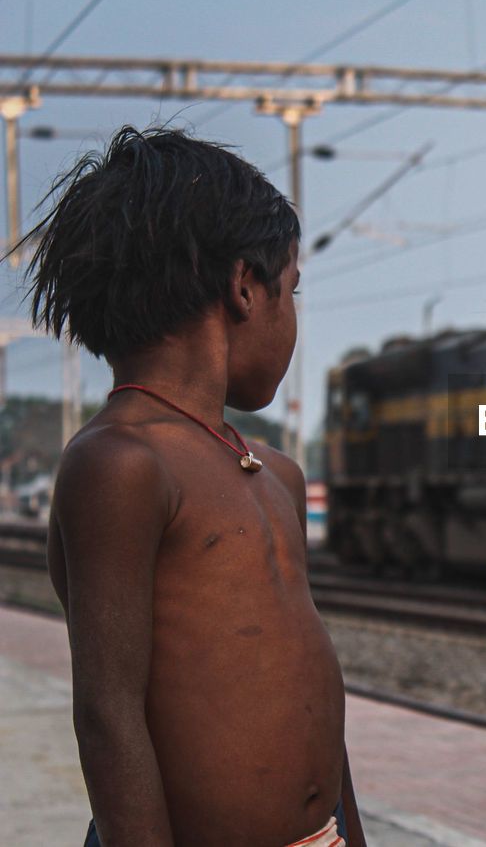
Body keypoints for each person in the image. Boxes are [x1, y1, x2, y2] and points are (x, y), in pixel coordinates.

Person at [19, 127, 365, 847]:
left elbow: (311, 687)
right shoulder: (121, 464)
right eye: (291, 290)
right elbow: (109, 714)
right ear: (245, 286)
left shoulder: (278, 476)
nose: (294, 316)